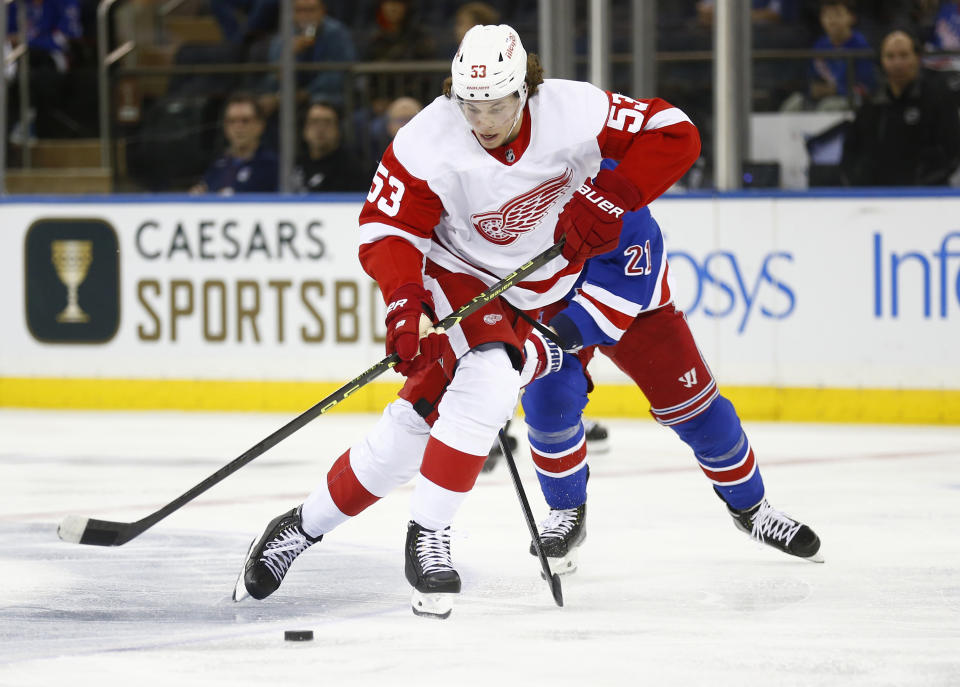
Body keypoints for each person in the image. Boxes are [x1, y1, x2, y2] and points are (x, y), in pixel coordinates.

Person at [233, 24, 700, 619]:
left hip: (534, 292)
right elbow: (387, 230)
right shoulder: (428, 137)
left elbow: (675, 133)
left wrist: (610, 195)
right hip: (454, 275)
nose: (482, 119)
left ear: (524, 89)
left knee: (408, 433)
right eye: (469, 103)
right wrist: (404, 302)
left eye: (497, 104)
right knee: (493, 374)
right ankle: (428, 538)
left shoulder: (574, 109)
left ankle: (297, 528)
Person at [520, 159, 823, 575]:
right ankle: (567, 514)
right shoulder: (504, 182)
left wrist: (543, 345)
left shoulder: (615, 186)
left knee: (702, 414)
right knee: (548, 400)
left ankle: (752, 509)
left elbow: (623, 291)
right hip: (547, 302)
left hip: (637, 307)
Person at [841, 29, 960, 185]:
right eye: (890, 56)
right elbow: (852, 153)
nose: (897, 63)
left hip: (927, 196)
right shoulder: (871, 105)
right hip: (878, 197)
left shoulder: (938, 99)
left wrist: (923, 186)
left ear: (917, 58)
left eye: (904, 55)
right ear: (882, 61)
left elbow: (952, 152)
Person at [255, 0, 355, 115]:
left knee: (320, 101)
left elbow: (339, 74)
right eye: (299, 11)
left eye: (311, 10)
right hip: (290, 96)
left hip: (327, 95)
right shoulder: (283, 37)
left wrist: (306, 93)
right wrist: (289, 54)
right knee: (263, 104)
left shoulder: (337, 33)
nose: (305, 15)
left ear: (323, 11)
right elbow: (272, 79)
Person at [5, 0, 83, 143]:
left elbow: (66, 36)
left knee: (34, 76)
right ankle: (22, 123)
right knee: (18, 73)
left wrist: (26, 40)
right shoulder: (16, 5)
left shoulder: (64, 3)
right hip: (22, 57)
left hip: (53, 57)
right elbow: (8, 36)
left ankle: (27, 123)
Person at [190, 92, 278, 194]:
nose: (238, 127)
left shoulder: (272, 165)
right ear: (225, 127)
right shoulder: (218, 164)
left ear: (260, 125)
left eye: (245, 121)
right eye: (232, 121)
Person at [808, 0, 875, 108]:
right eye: (827, 15)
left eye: (837, 14)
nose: (832, 20)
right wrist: (813, 89)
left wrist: (837, 90)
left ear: (851, 17)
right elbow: (812, 79)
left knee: (828, 106)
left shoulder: (861, 46)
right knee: (795, 102)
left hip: (849, 100)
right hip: (822, 98)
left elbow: (866, 86)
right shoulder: (819, 45)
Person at [293, 101, 369, 192]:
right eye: (314, 122)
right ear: (304, 130)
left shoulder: (352, 167)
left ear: (338, 130)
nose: (320, 129)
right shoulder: (295, 163)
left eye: (327, 122)